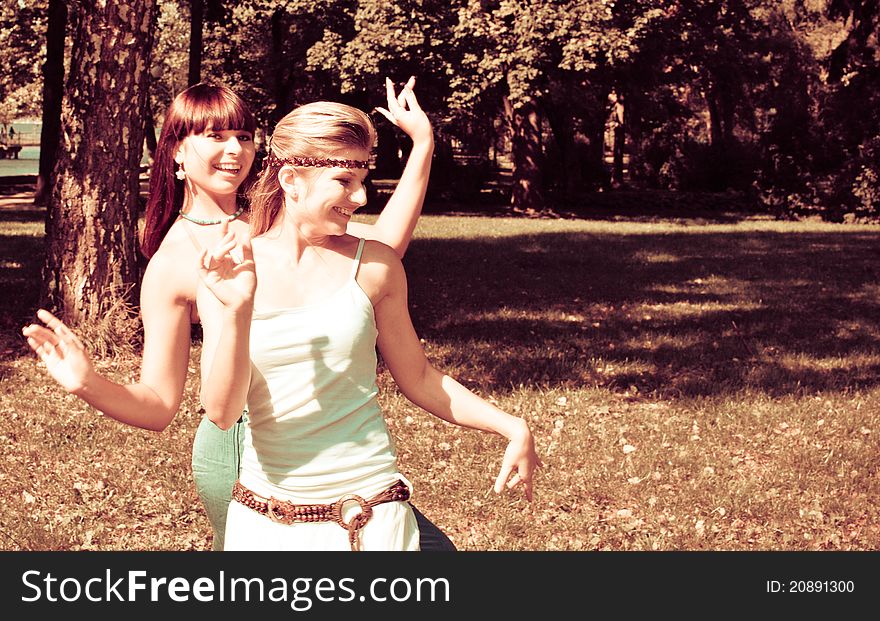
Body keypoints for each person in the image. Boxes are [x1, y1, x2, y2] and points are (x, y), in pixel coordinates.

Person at [22, 80, 454, 550]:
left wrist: (422, 145)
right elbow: (158, 403)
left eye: (244, 136)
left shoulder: (269, 223)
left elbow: (380, 250)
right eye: (216, 136)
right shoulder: (175, 261)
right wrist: (88, 383)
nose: (235, 149)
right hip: (240, 452)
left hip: (331, 451)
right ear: (176, 154)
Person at [197, 100, 540, 551]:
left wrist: (511, 425)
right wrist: (240, 309)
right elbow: (222, 412)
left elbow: (418, 377)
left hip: (373, 514)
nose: (360, 198)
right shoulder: (231, 270)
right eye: (344, 181)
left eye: (362, 180)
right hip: (266, 520)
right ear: (289, 180)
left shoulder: (375, 265)